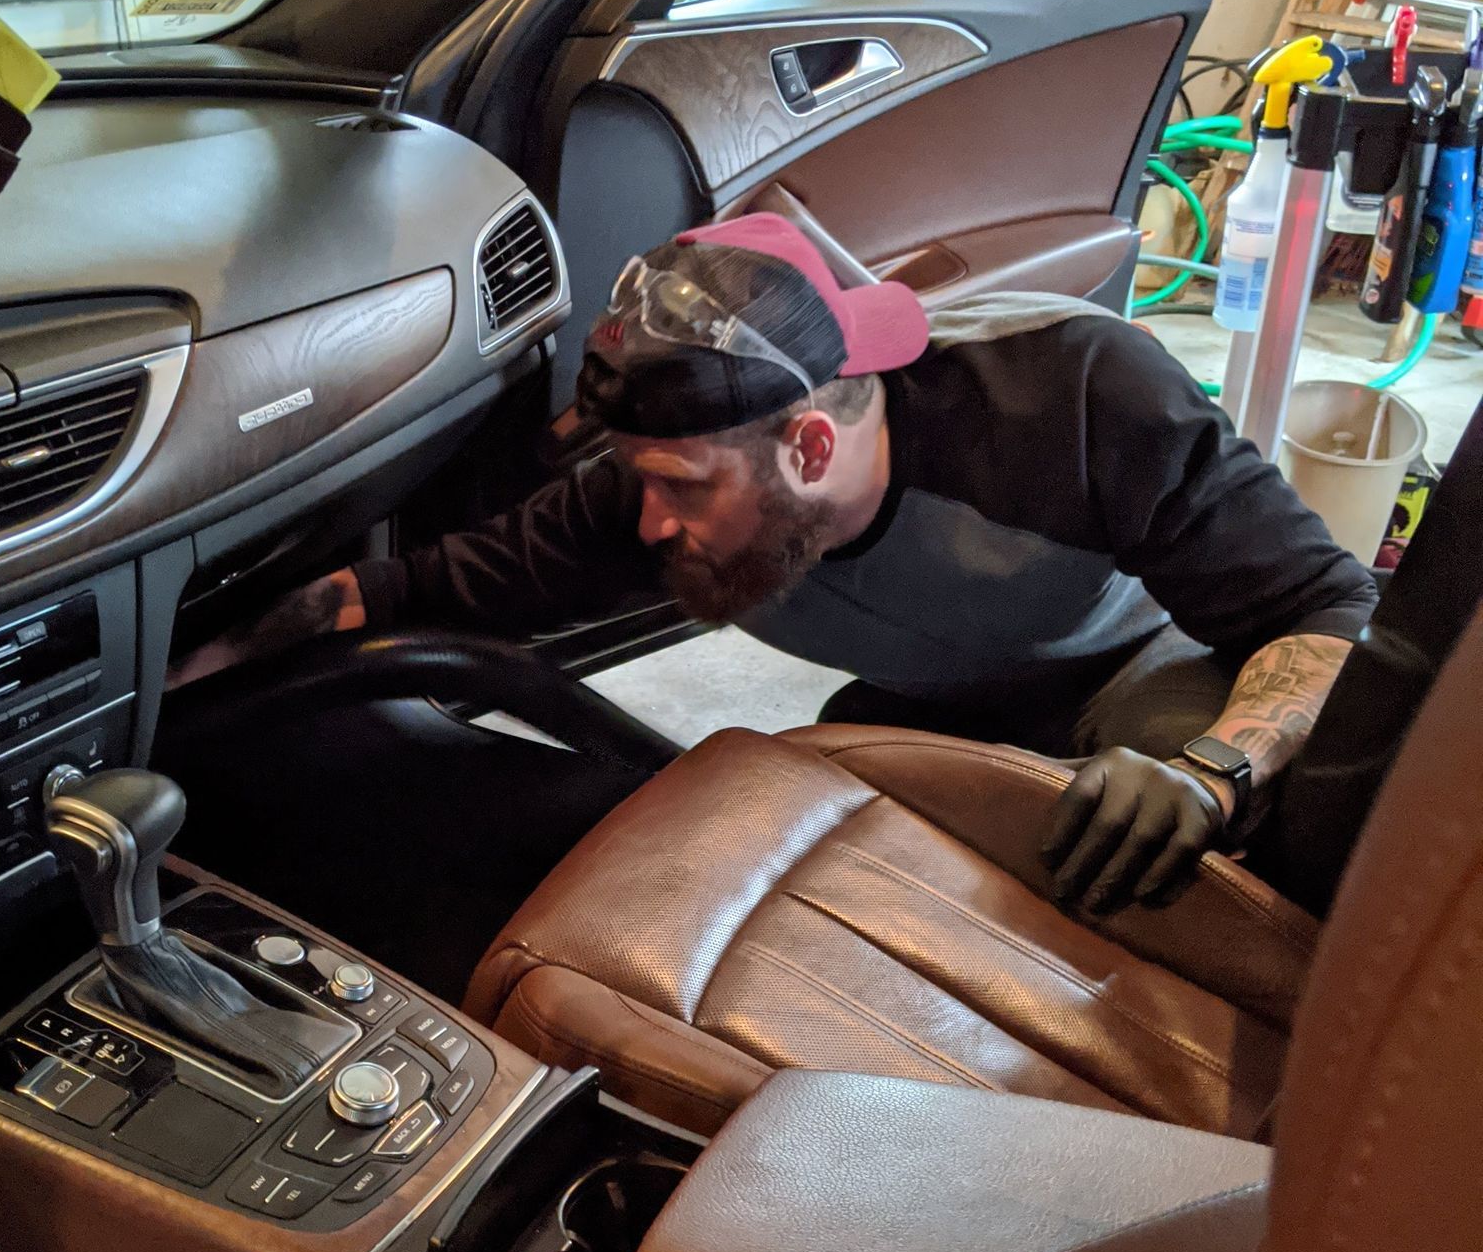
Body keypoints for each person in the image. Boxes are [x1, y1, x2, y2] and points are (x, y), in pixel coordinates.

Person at [168, 213, 1377, 918]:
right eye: (636, 477)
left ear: (808, 443)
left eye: (680, 487)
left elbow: (1330, 605)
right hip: (913, 707)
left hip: (1119, 672)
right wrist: (191, 682)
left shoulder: (1082, 396)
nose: (645, 523)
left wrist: (1221, 770)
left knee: (1194, 841)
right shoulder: (664, 488)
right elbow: (419, 593)